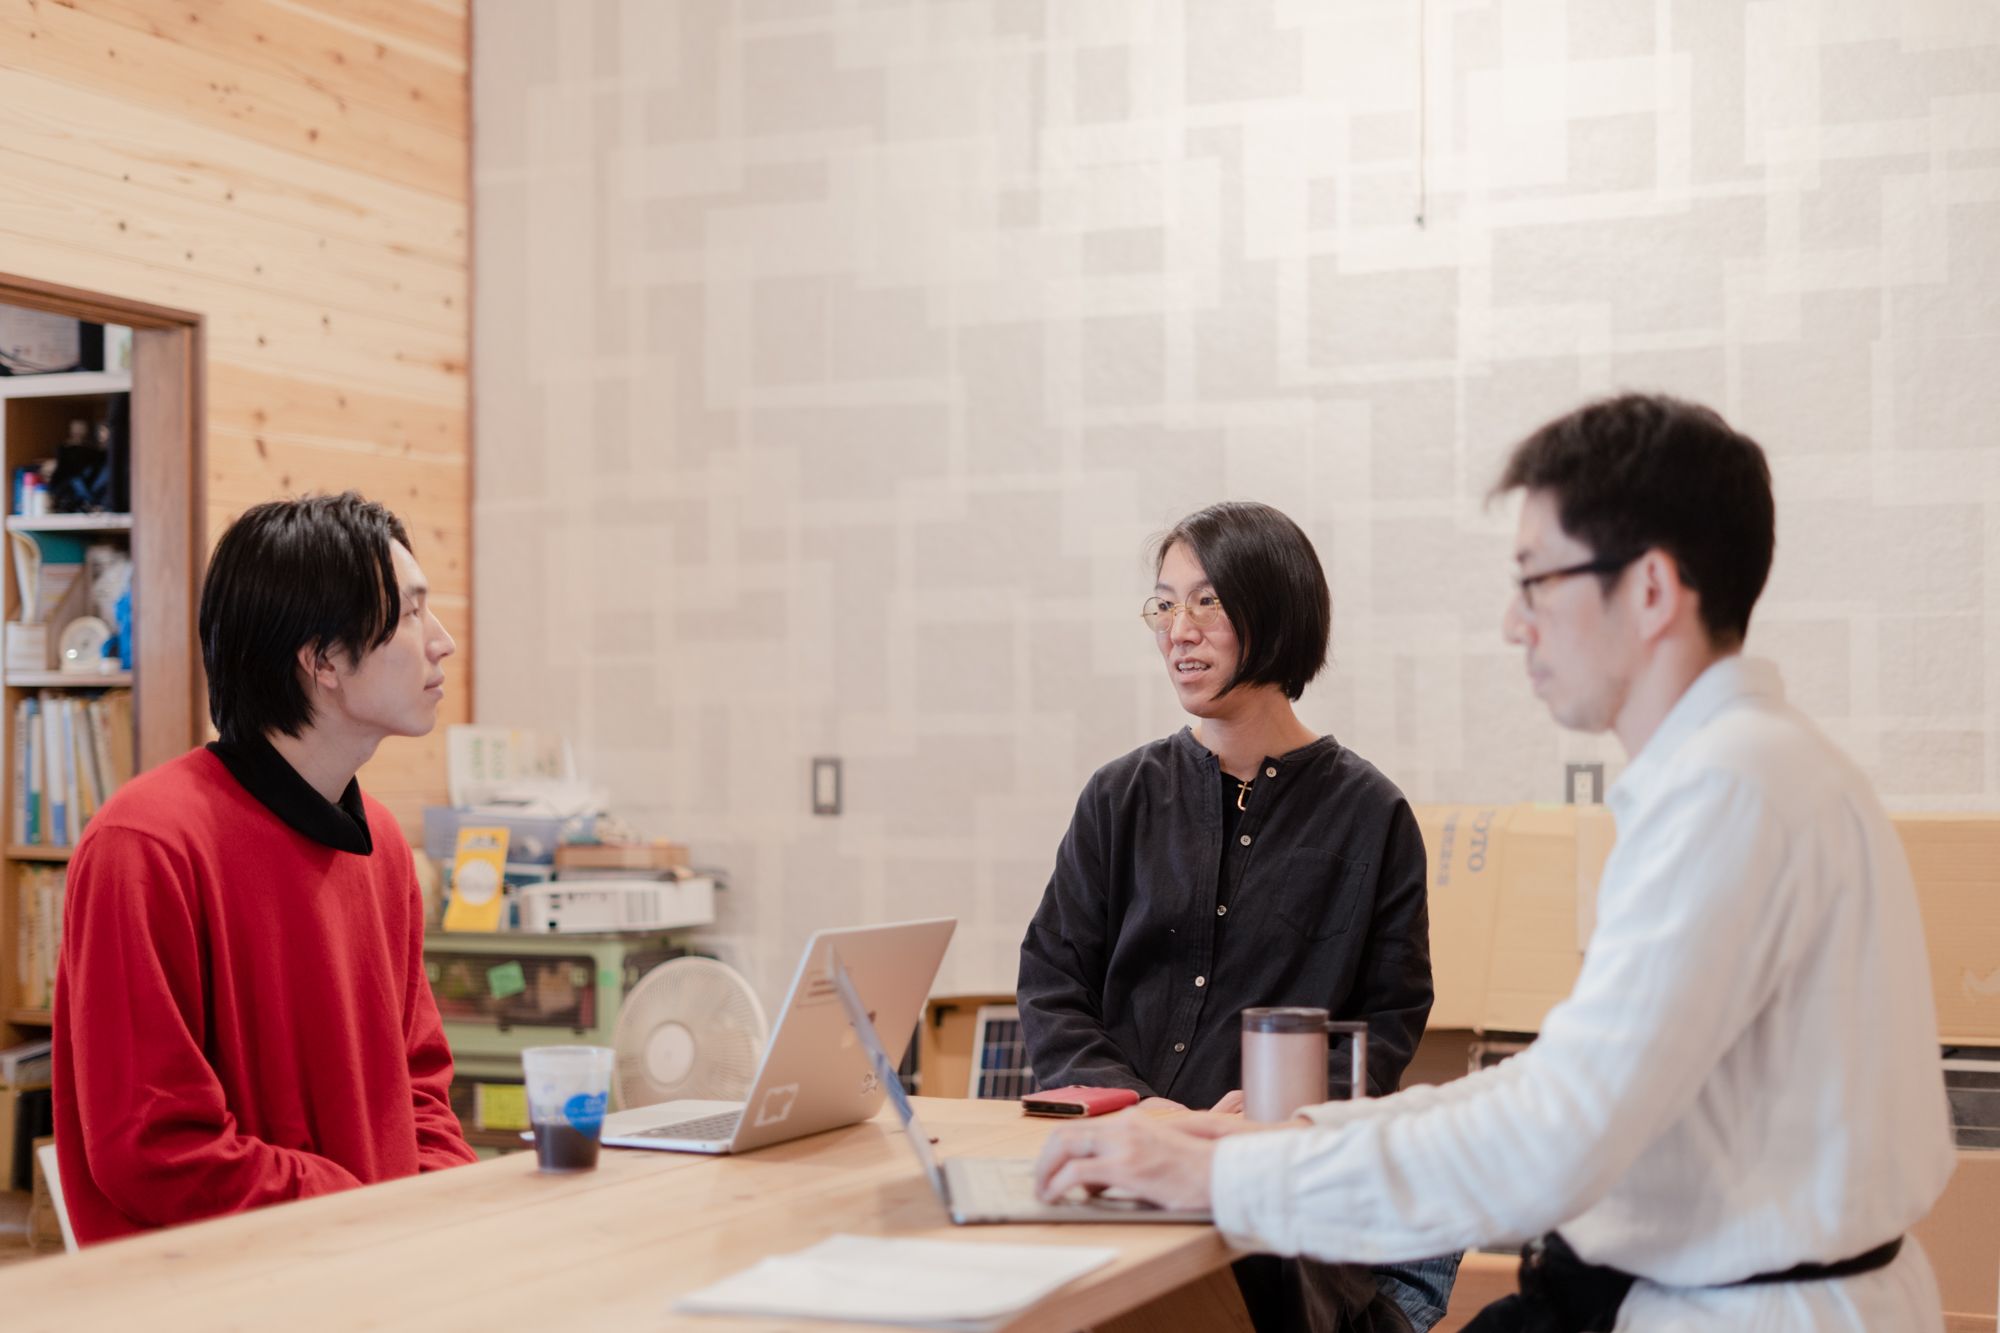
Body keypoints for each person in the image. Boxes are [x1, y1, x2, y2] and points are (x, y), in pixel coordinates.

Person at [1033, 395, 1956, 1331]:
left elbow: (1553, 1133)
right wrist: (1277, 1135)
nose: (1517, 624)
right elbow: (1556, 1089)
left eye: (1537, 581)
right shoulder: (1748, 771)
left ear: (1650, 590)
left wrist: (1235, 1169)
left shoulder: (1730, 794)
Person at [1017, 501, 1460, 1332]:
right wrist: (1148, 1114)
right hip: (1121, 1165)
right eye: (1163, 604)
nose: (1178, 631)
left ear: (1277, 611)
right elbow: (1052, 984)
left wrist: (1264, 1126)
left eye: (1207, 602)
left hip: (1276, 1190)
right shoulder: (1120, 796)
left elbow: (1385, 1024)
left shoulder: (1371, 815)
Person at [52, 492, 478, 1244]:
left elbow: (418, 1087)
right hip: (215, 1287)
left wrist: (442, 1212)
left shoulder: (380, 842)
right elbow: (154, 1148)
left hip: (374, 1265)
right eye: (411, 613)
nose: (441, 641)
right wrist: (363, 1209)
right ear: (322, 659)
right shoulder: (144, 846)